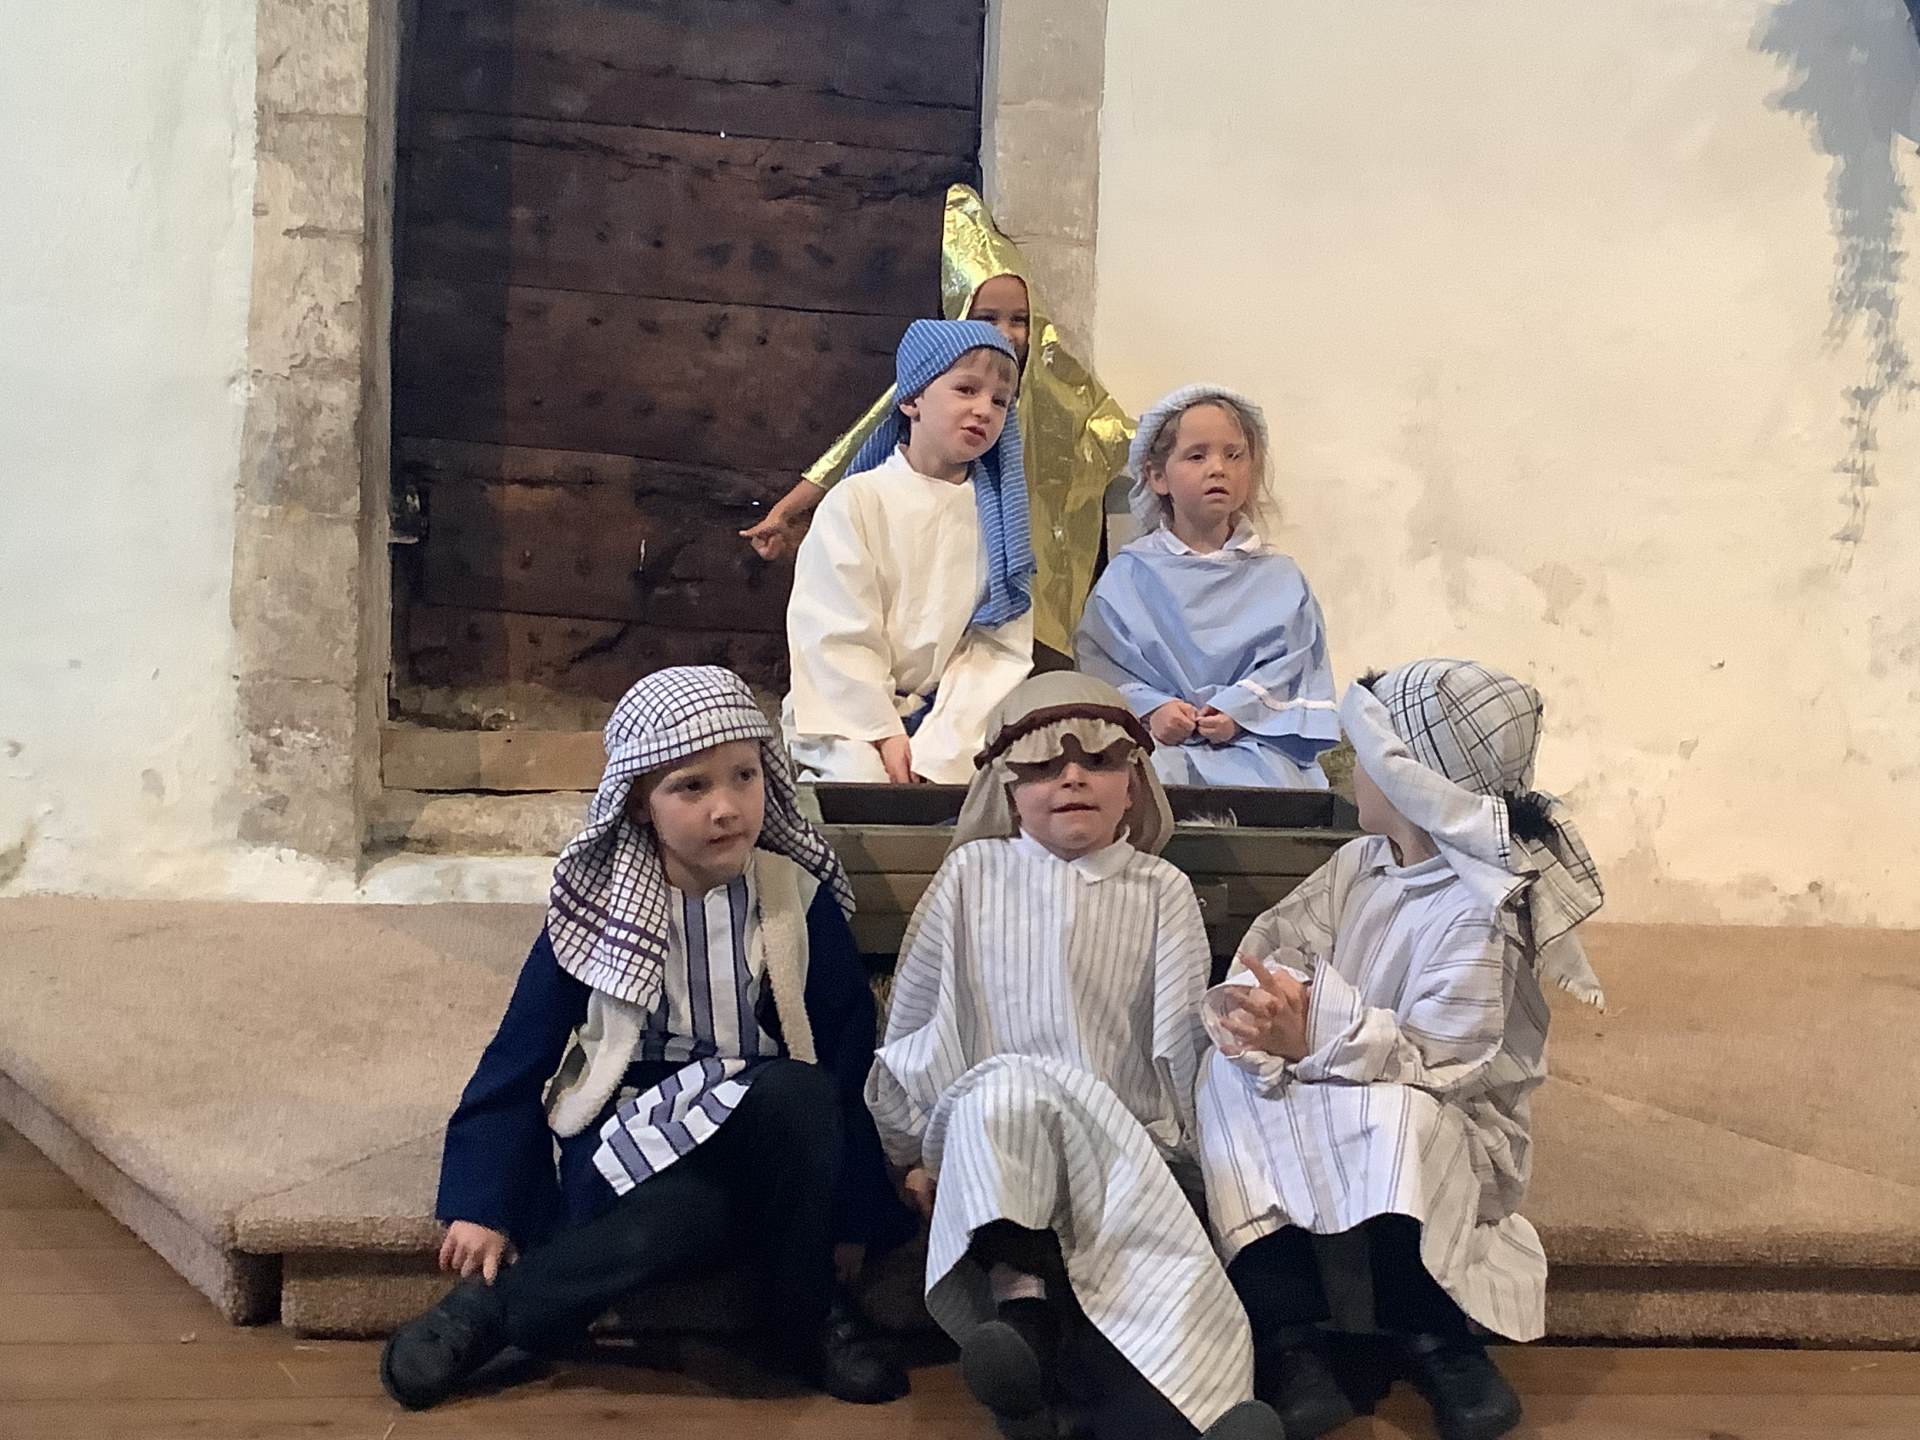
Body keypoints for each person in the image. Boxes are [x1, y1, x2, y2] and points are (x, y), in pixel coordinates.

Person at [379, 667, 912, 1411]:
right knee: (689, 1214)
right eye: (691, 787)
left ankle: (496, 1316)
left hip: (773, 1128)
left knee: (798, 1092)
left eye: (745, 776)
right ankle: (807, 1314)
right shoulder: (601, 905)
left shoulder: (795, 898)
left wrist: (850, 1210)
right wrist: (484, 1200)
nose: (727, 807)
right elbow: (520, 1054)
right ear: (638, 801)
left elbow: (848, 1053)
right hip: (635, 1130)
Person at [866, 671, 1284, 1440]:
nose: (1071, 778)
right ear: (1005, 785)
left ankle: (1187, 1411)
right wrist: (910, 1152)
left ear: (1135, 785)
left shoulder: (1160, 889)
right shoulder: (970, 877)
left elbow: (1181, 1042)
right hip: (996, 1133)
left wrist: (1196, 1160)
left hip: (1120, 1135)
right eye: (1043, 765)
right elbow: (919, 1023)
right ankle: (1022, 1314)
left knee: (1142, 1275)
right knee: (1006, 1102)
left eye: (1097, 761)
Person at [1194, 659, 1605, 1440]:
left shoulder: (1479, 909)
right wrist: (1269, 1008)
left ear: (1411, 780)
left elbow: (1442, 1061)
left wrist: (1313, 1031)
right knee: (1224, 1076)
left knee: (1399, 1120)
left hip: (1435, 1104)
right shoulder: (1360, 864)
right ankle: (1287, 1332)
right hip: (1333, 1067)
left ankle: (1433, 1329)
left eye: (1363, 755)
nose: (1349, 768)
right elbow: (1280, 946)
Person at [743, 184, 1133, 661]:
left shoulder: (1061, 383)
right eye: (988, 317)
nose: (1006, 333)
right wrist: (785, 511)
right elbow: (855, 445)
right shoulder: (931, 384)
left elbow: (1115, 433)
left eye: (1019, 319)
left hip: (1006, 582)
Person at [782, 318, 1034, 784]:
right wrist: (884, 732)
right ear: (912, 399)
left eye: (1000, 401)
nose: (984, 409)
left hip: (954, 720)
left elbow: (997, 647)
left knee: (970, 785)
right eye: (966, 389)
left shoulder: (999, 524)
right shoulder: (858, 501)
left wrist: (941, 745)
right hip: (848, 713)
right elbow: (834, 629)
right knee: (862, 782)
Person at [1075, 385, 1339, 789]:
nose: (1218, 468)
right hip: (1156, 748)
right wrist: (1153, 709)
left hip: (1258, 750)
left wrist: (1240, 711)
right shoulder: (1128, 577)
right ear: (1157, 476)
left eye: (1234, 455)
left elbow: (1294, 663)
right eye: (1197, 455)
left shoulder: (1281, 579)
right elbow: (1102, 665)